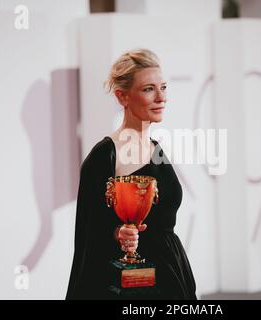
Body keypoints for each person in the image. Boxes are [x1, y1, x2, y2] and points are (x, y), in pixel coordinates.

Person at [66, 49, 196, 299]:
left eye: (164, 87)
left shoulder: (157, 149)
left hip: (173, 273)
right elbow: (88, 234)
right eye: (148, 89)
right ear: (122, 96)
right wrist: (117, 234)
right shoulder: (105, 155)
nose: (161, 98)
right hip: (132, 286)